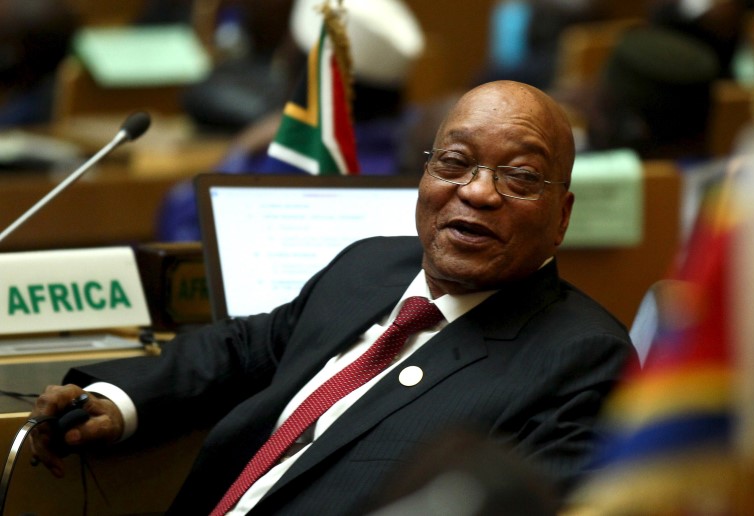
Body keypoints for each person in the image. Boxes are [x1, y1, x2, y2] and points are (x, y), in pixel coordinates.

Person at [29, 80, 635, 515]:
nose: (477, 193)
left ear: (562, 216)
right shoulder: (372, 263)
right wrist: (117, 400)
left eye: (520, 177)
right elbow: (248, 344)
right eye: (454, 163)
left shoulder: (583, 361)